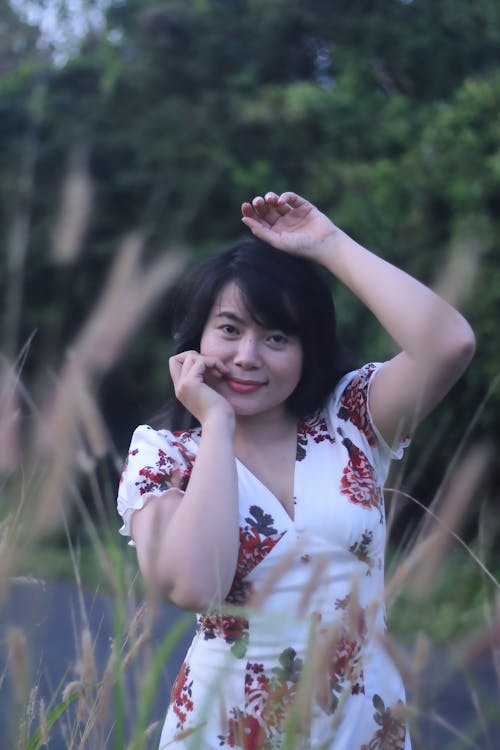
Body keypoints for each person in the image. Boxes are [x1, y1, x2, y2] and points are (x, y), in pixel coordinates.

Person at [117, 191, 475, 749]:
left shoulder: (350, 419)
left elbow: (449, 343)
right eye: (230, 329)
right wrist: (216, 424)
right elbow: (193, 585)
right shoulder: (165, 454)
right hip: (227, 728)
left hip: (362, 726)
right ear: (197, 340)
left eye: (277, 337)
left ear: (308, 350)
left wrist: (330, 246)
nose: (248, 356)